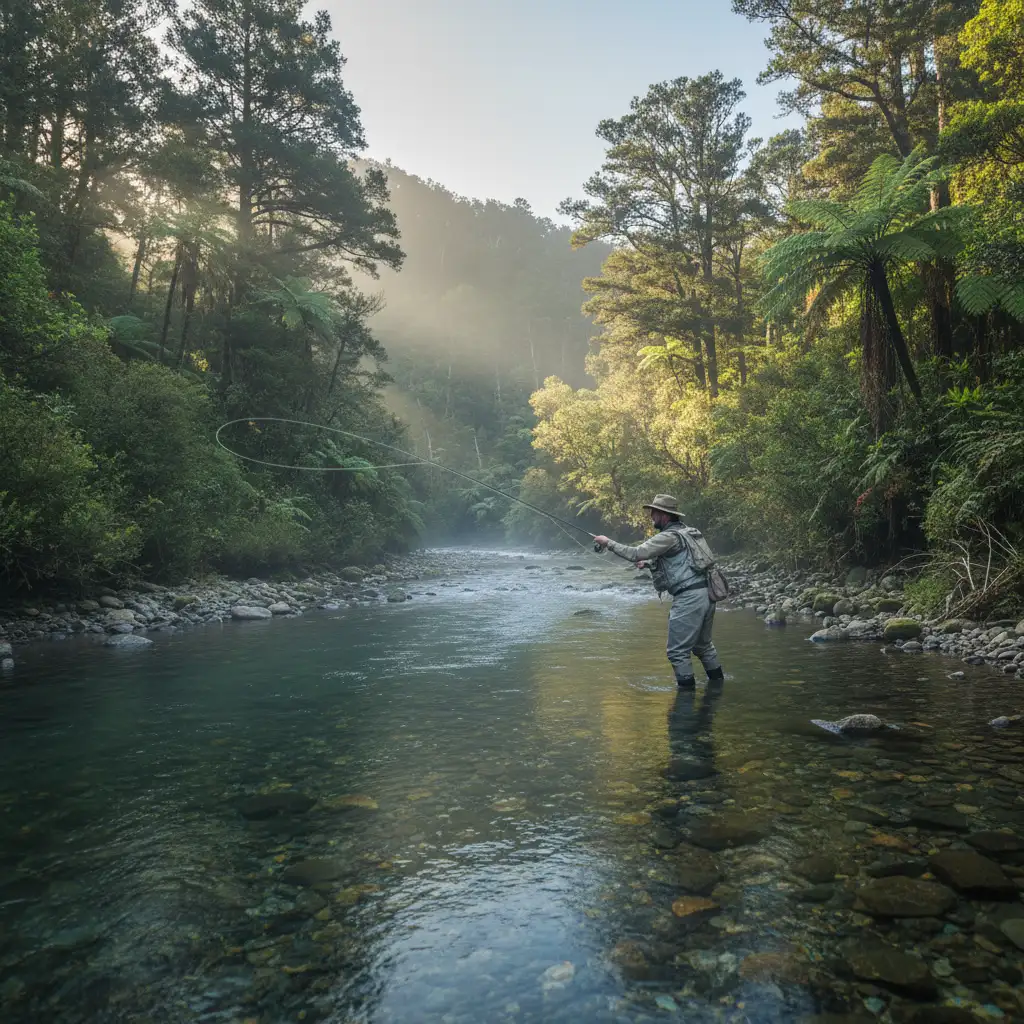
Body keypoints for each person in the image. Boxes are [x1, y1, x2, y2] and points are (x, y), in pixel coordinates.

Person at [593, 494, 724, 689]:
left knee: (677, 652)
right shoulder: (688, 532)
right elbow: (684, 560)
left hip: (689, 598)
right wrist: (649, 563)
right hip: (706, 593)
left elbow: (635, 553)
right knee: (703, 647)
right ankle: (718, 689)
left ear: (664, 515)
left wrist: (607, 542)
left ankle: (686, 702)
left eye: (653, 512)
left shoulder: (668, 536)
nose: (651, 516)